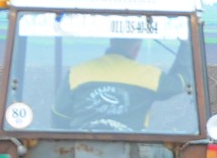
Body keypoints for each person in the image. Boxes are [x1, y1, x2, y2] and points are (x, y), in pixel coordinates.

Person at [55, 38, 187, 131]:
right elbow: (181, 81)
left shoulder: (77, 73)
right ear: (136, 49)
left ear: (111, 42)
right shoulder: (150, 76)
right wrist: (186, 44)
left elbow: (59, 116)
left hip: (79, 149)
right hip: (134, 153)